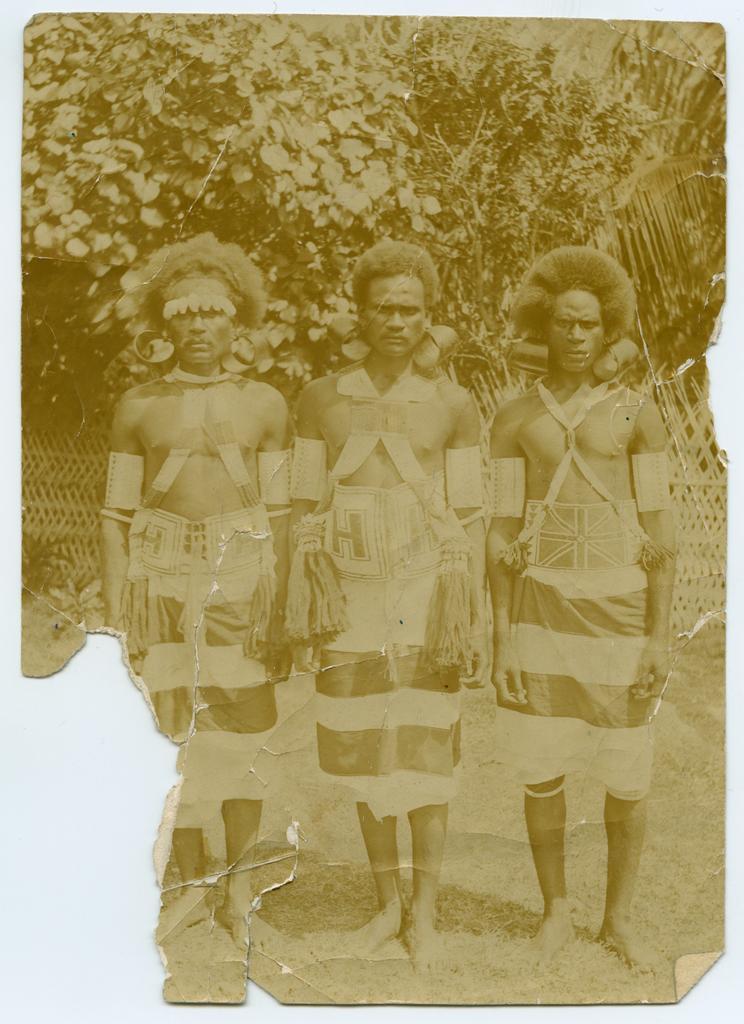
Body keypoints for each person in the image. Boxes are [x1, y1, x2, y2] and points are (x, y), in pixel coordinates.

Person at [100, 233, 291, 1002]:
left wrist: (283, 600)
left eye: (215, 316)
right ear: (167, 323)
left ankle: (242, 882)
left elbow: (284, 509)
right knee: (169, 727)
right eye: (187, 316)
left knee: (244, 725)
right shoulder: (137, 407)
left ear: (235, 322)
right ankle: (185, 879)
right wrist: (121, 609)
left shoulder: (267, 404)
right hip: (161, 574)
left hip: (246, 572)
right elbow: (114, 512)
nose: (201, 329)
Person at [287, 240, 487, 968]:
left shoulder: (453, 405)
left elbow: (468, 512)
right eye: (383, 307)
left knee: (427, 750)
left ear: (428, 315)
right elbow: (301, 500)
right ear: (361, 313)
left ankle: (426, 916)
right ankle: (384, 907)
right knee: (364, 746)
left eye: (410, 309)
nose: (397, 320)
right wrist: (293, 600)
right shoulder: (318, 399)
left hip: (428, 589)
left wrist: (473, 611)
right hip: (345, 594)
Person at [486, 246, 676, 969]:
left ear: (606, 331)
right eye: (562, 321)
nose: (574, 335)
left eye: (588, 324)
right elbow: (501, 530)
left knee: (627, 771)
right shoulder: (513, 419)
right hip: (540, 617)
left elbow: (659, 528)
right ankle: (556, 912)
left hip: (622, 617)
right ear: (545, 324)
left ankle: (619, 920)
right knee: (542, 768)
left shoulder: (637, 415)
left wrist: (658, 635)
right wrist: (502, 636)